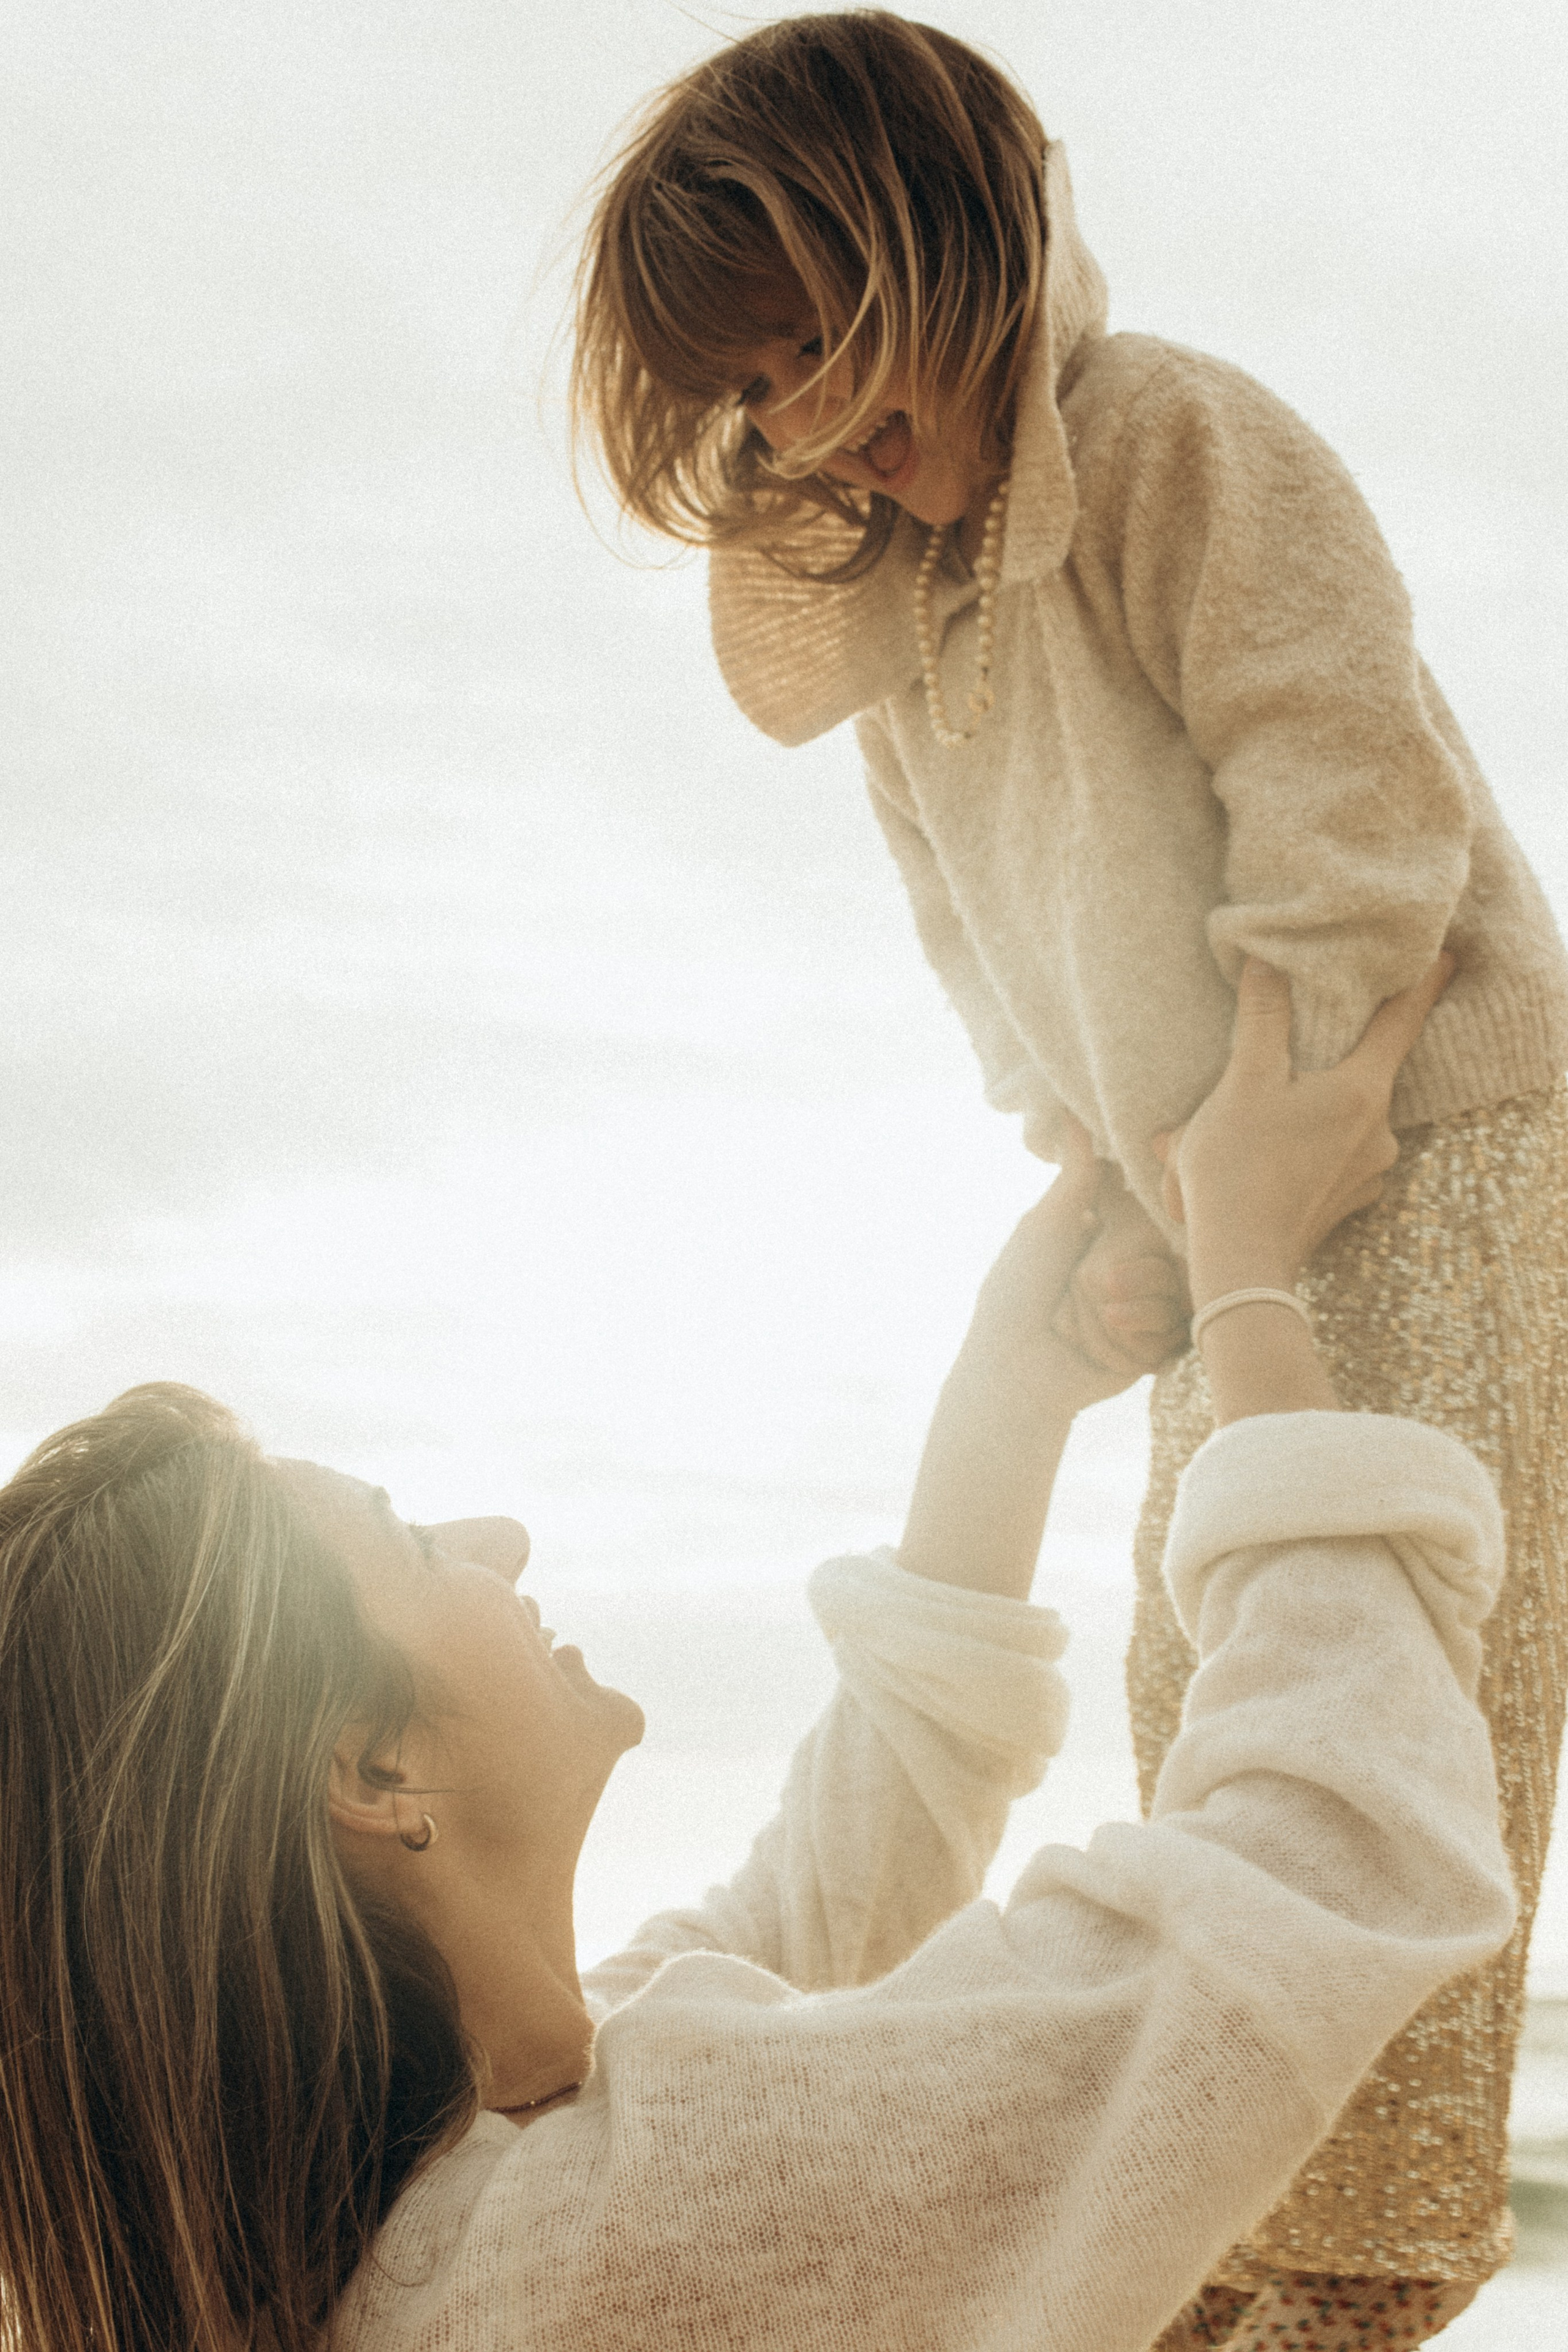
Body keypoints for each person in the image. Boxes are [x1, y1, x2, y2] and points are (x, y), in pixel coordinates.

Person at [567, 15, 1568, 2339]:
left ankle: (1357, 2239)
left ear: (959, 254)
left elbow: (1351, 780)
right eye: (758, 390)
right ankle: (1200, 2217)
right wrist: (1114, 1182)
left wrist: (1273, 1104)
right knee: (1203, 1672)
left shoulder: (1169, 445)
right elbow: (990, 963)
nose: (806, 419)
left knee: (1400, 1682)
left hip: (1431, 1140)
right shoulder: (905, 656)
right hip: (1224, 1212)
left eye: (831, 341)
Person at [0, 954, 1518, 2352]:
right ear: (372, 1766)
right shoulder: (622, 2240)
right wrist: (1248, 1266)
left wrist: (1017, 1382)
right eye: (412, 1544)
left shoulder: (455, 2202)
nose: (499, 1538)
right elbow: (1329, 1847)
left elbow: (833, 1891)